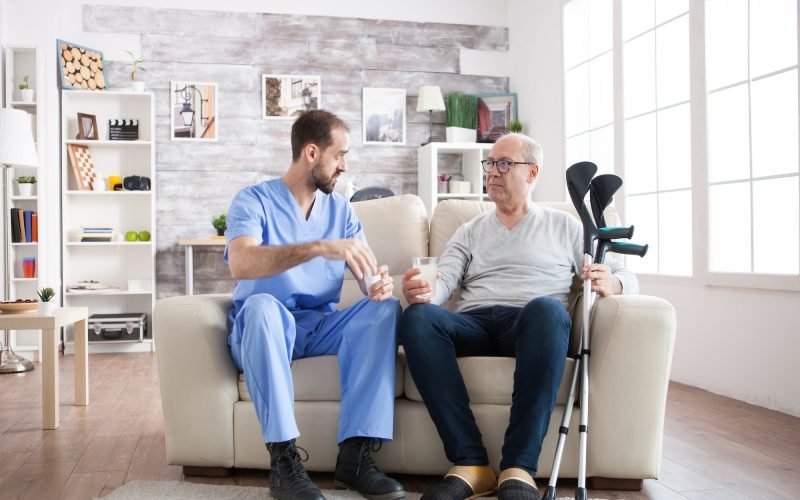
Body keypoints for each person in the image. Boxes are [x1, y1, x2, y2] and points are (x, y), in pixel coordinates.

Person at [398, 133, 639, 500]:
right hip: (475, 323)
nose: (492, 172)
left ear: (533, 172)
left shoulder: (566, 226)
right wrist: (424, 292)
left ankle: (519, 469)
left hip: (532, 323)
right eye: (490, 164)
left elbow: (626, 276)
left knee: (547, 309)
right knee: (418, 318)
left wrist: (614, 282)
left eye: (504, 164)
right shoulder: (470, 231)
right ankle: (471, 464)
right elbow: (444, 281)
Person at [225, 110, 405, 500]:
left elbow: (368, 275)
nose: (344, 165)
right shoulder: (253, 200)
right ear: (311, 153)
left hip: (320, 327)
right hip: (266, 328)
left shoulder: (341, 210)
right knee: (260, 307)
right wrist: (317, 247)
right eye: (339, 155)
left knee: (385, 309)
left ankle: (355, 458)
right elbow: (241, 263)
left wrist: (378, 286)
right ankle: (284, 461)